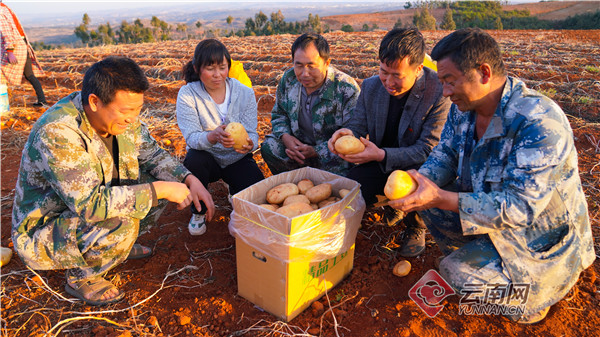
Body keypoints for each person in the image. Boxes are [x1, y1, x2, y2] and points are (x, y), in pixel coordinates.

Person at [390, 28, 595, 323]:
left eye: (450, 81)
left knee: (455, 272)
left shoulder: (538, 122)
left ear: (484, 72)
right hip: (494, 220)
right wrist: (421, 183)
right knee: (431, 200)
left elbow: (520, 209)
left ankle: (529, 299)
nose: (445, 92)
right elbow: (445, 153)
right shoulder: (464, 108)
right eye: (441, 82)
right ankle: (478, 260)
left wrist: (442, 197)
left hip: (540, 241)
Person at [12, 56, 215, 306]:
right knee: (126, 215)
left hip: (81, 210)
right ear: (95, 102)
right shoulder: (58, 132)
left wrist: (188, 178)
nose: (133, 118)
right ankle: (82, 276)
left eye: (138, 109)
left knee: (158, 183)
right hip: (44, 231)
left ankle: (115, 248)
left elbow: (151, 154)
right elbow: (90, 205)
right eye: (126, 111)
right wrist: (159, 189)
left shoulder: (119, 117)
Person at [328, 28, 450, 257]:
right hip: (380, 162)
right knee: (352, 188)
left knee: (432, 174)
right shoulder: (372, 86)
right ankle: (391, 205)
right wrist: (346, 132)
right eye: (384, 71)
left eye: (397, 75)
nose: (388, 80)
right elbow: (358, 125)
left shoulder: (438, 92)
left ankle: (416, 225)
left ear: (418, 69)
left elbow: (428, 150)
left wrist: (380, 154)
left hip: (419, 167)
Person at [177, 39, 264, 235]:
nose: (217, 75)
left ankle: (235, 189)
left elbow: (252, 132)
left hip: (236, 158)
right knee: (193, 161)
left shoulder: (244, 92)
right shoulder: (188, 94)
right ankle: (198, 211)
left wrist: (248, 145)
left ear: (228, 67)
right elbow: (191, 137)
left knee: (258, 191)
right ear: (197, 68)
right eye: (210, 68)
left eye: (222, 68)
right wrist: (211, 137)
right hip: (207, 158)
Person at [261, 33, 360, 176]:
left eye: (311, 66)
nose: (304, 73)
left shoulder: (345, 88)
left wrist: (316, 151)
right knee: (270, 147)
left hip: (331, 155)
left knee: (345, 173)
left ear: (326, 63)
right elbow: (279, 114)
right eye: (299, 65)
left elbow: (353, 134)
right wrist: (286, 137)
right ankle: (293, 183)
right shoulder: (288, 80)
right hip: (298, 153)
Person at [0, 2, 47, 106]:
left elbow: (6, 33)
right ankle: (42, 100)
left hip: (15, 48)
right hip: (22, 45)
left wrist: (10, 52)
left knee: (1, 75)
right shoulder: (5, 8)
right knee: (29, 75)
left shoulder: (0, 12)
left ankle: (3, 105)